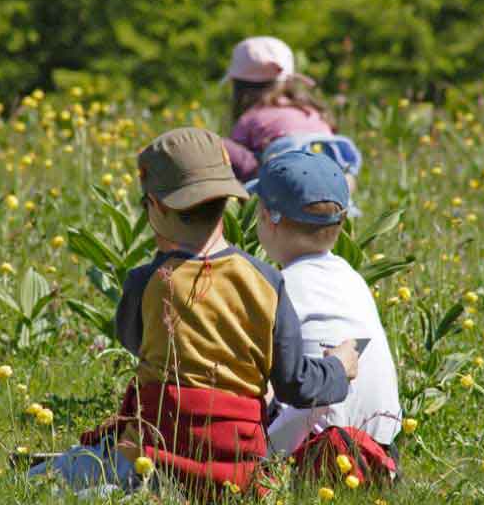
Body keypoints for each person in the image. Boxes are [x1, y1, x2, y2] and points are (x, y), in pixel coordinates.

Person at [30, 127, 361, 500]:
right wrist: (339, 369)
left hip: (149, 457)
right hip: (234, 471)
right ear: (225, 199)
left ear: (156, 206)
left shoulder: (148, 281)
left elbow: (132, 340)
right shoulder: (265, 281)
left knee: (40, 481)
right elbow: (294, 383)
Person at [250, 150, 402, 460]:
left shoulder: (278, 287)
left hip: (310, 448)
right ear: (343, 221)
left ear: (268, 217)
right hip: (381, 443)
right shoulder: (352, 280)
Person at [222, 36, 337, 182]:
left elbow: (236, 164)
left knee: (221, 147)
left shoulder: (250, 118)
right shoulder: (312, 112)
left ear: (239, 87)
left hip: (284, 188)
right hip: (333, 186)